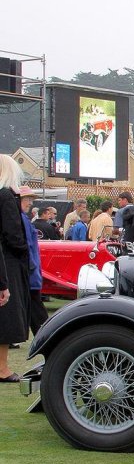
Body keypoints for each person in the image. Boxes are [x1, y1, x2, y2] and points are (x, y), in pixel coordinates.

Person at [0, 154, 30, 382]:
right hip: (7, 262)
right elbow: (13, 234)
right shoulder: (7, 197)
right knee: (7, 315)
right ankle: (2, 368)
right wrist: (22, 252)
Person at [17, 186, 47, 335]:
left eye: (30, 199)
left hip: (31, 271)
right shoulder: (21, 219)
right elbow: (27, 246)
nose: (30, 203)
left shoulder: (24, 219)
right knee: (38, 313)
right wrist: (32, 268)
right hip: (29, 272)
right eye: (27, 199)